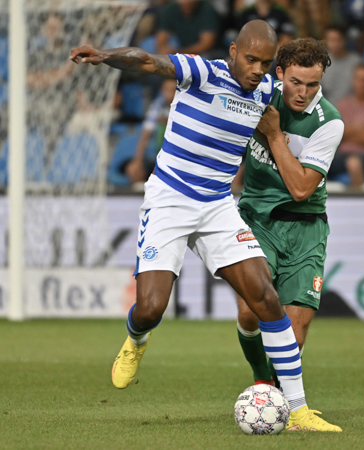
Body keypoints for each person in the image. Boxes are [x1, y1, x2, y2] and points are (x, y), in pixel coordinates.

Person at [69, 21, 320, 429]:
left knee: (267, 299)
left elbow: (302, 95)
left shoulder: (264, 92)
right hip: (170, 199)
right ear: (234, 51)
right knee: (151, 308)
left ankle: (299, 410)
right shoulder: (204, 72)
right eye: (251, 59)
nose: (257, 69)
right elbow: (147, 61)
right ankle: (136, 339)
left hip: (217, 205)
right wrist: (105, 55)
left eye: (265, 63)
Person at [235, 37, 344, 432]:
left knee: (295, 333)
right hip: (257, 220)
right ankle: (261, 378)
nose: (303, 93)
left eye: (313, 84)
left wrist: (274, 134)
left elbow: (300, 188)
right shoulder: (256, 95)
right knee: (250, 311)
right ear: (279, 73)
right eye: (296, 82)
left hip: (306, 227)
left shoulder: (329, 123)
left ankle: (279, 402)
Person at [125, 79, 177, 184]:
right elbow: (145, 134)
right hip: (157, 154)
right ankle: (140, 191)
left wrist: (167, 122)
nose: (169, 93)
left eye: (173, 90)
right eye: (166, 89)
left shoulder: (186, 107)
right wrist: (138, 160)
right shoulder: (157, 106)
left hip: (179, 156)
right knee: (133, 169)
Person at [321, 25, 362, 106]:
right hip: (326, 108)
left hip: (352, 108)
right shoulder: (320, 62)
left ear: (344, 40)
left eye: (338, 40)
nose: (334, 44)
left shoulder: (357, 62)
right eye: (331, 40)